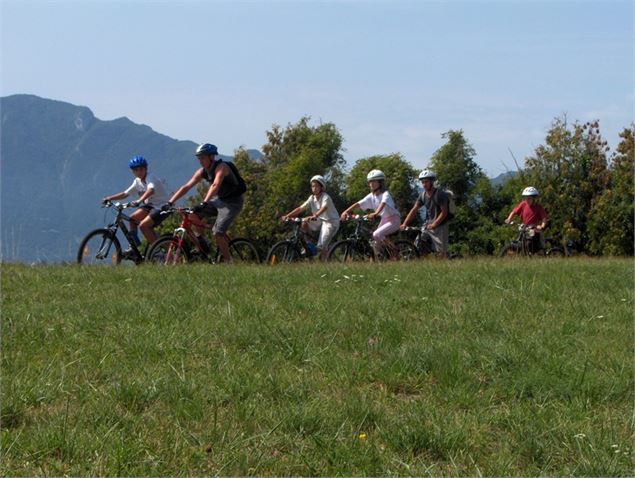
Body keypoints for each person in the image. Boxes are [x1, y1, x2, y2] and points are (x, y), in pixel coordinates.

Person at [159, 143, 245, 262]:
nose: (200, 161)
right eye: (199, 158)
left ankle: (228, 262)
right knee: (192, 214)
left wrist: (204, 202)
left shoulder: (222, 167)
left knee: (218, 233)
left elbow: (215, 184)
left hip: (233, 203)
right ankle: (202, 242)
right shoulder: (202, 171)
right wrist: (170, 202)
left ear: (211, 157)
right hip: (219, 201)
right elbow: (186, 187)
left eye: (202, 158)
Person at [101, 155, 170, 254]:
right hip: (150, 206)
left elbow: (151, 190)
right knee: (132, 219)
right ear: (132, 171)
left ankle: (157, 251)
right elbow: (125, 194)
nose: (139, 172)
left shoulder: (151, 177)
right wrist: (109, 198)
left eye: (141, 169)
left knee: (143, 226)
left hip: (162, 206)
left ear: (146, 168)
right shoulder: (137, 181)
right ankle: (134, 245)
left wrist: (139, 200)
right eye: (135, 170)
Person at [340, 169, 401, 257]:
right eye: (370, 182)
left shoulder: (385, 194)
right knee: (375, 243)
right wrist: (345, 211)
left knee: (377, 234)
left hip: (394, 220)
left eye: (373, 181)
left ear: (380, 182)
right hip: (385, 219)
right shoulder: (371, 196)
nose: (371, 184)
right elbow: (358, 204)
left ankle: (394, 249)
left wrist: (375, 213)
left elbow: (383, 204)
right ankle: (380, 258)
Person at [281, 175, 340, 261]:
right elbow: (300, 208)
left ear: (322, 187)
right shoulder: (311, 198)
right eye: (313, 186)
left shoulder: (325, 197)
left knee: (321, 247)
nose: (314, 188)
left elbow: (324, 208)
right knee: (304, 222)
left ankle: (322, 252)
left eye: (316, 186)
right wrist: (288, 216)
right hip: (320, 220)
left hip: (331, 222)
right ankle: (308, 245)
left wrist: (314, 215)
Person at [401, 170, 449, 258]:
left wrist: (434, 224)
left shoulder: (440, 194)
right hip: (427, 225)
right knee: (418, 245)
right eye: (422, 182)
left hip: (440, 226)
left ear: (432, 182)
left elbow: (444, 212)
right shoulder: (423, 195)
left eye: (426, 182)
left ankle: (447, 264)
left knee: (441, 252)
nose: (424, 184)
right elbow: (414, 210)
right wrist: (405, 223)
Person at [504, 186, 547, 253]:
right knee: (519, 241)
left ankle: (539, 252)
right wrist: (509, 219)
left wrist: (542, 226)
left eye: (529, 198)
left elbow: (544, 218)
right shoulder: (523, 204)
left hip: (534, 229)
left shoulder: (539, 207)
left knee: (530, 245)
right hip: (524, 227)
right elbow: (514, 212)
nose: (527, 200)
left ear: (534, 199)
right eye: (526, 198)